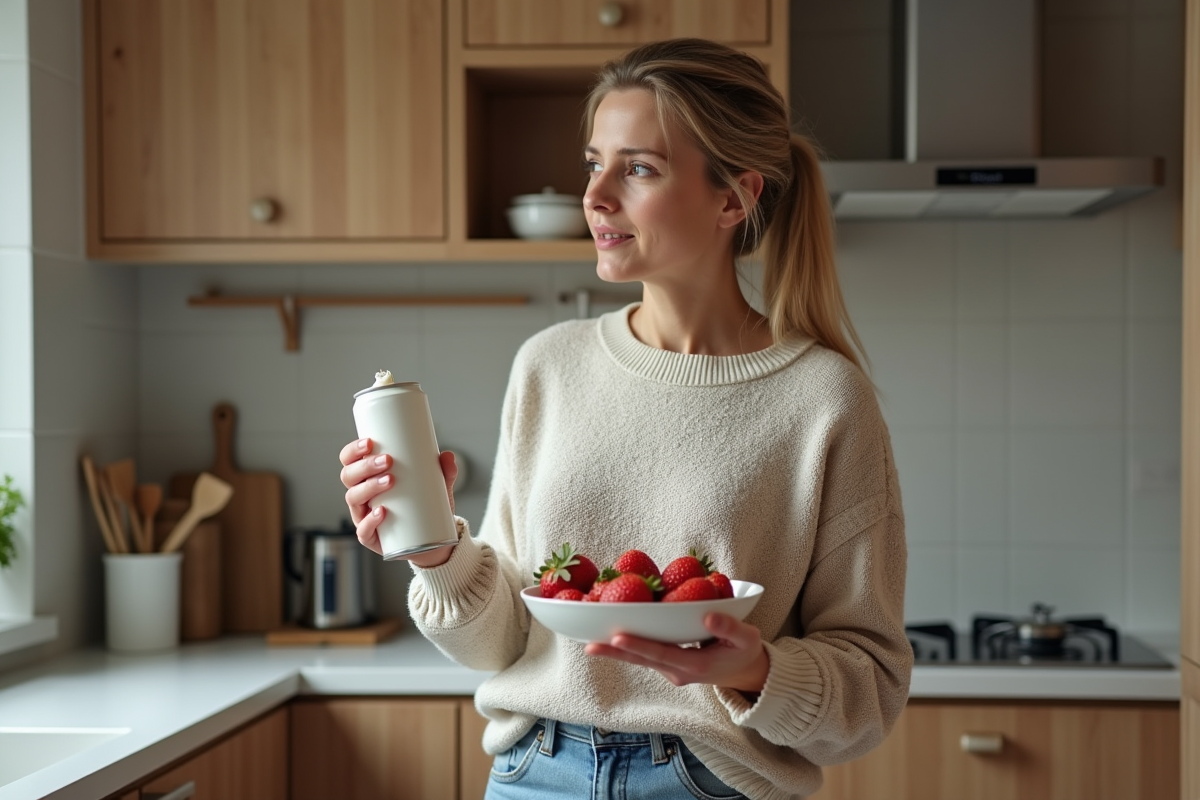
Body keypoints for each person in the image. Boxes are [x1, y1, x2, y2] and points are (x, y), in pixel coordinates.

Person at [339, 37, 911, 800]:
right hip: (530, 774)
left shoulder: (826, 399)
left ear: (733, 198)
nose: (596, 194)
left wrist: (755, 669)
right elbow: (503, 641)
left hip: (712, 781)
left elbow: (869, 690)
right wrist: (437, 551)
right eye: (593, 163)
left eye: (638, 168)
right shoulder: (548, 365)